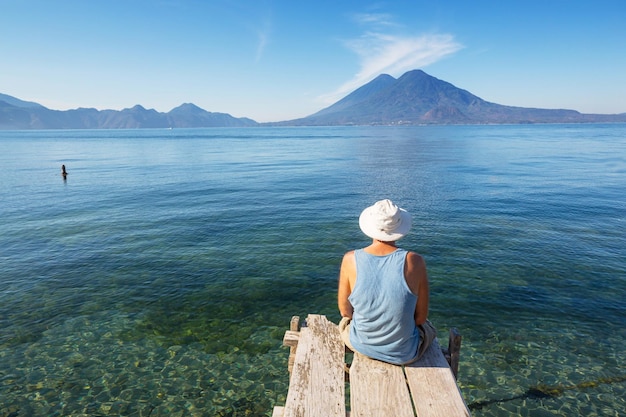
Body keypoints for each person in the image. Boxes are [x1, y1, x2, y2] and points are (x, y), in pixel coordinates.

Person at [337, 199, 436, 365]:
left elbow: (345, 312)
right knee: (429, 328)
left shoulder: (350, 259)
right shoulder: (415, 261)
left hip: (362, 345)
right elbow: (420, 318)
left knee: (344, 323)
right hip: (404, 354)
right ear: (399, 228)